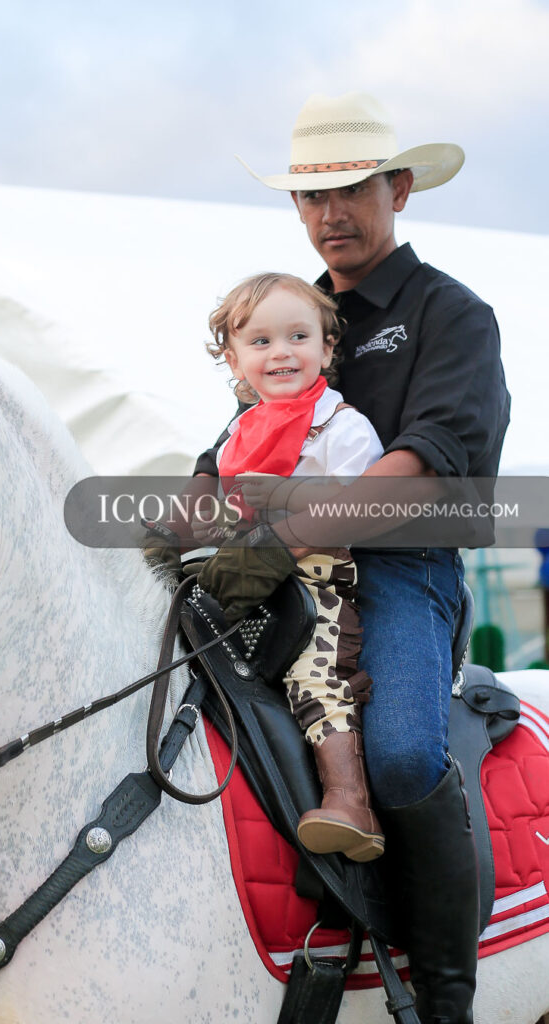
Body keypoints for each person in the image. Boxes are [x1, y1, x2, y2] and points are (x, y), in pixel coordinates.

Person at [192, 93, 510, 1024]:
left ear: (398, 189)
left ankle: (446, 994)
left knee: (405, 754)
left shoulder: (454, 315)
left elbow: (424, 469)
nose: (329, 212)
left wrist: (283, 536)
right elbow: (229, 447)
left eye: (352, 188)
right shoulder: (283, 317)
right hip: (279, 570)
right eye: (309, 194)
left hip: (403, 574)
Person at [199, 269, 385, 861]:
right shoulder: (236, 437)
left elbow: (353, 507)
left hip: (317, 587)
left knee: (316, 677)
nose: (281, 352)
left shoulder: (342, 427)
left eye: (298, 337)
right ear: (232, 361)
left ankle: (351, 801)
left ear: (327, 349)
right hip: (251, 585)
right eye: (259, 342)